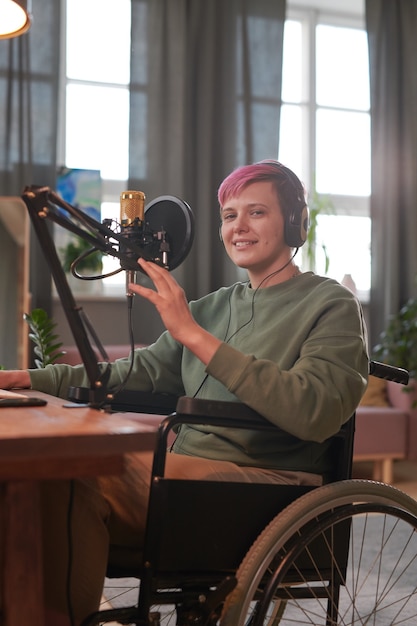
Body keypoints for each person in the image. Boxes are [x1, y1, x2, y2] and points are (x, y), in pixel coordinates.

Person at [0, 160, 369, 625]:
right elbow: (134, 373)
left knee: (72, 476)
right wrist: (27, 380)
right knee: (30, 481)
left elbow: (314, 412)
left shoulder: (331, 304)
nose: (239, 226)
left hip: (268, 484)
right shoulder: (213, 306)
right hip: (188, 473)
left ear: (294, 223)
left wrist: (193, 334)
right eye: (230, 215)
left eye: (256, 212)